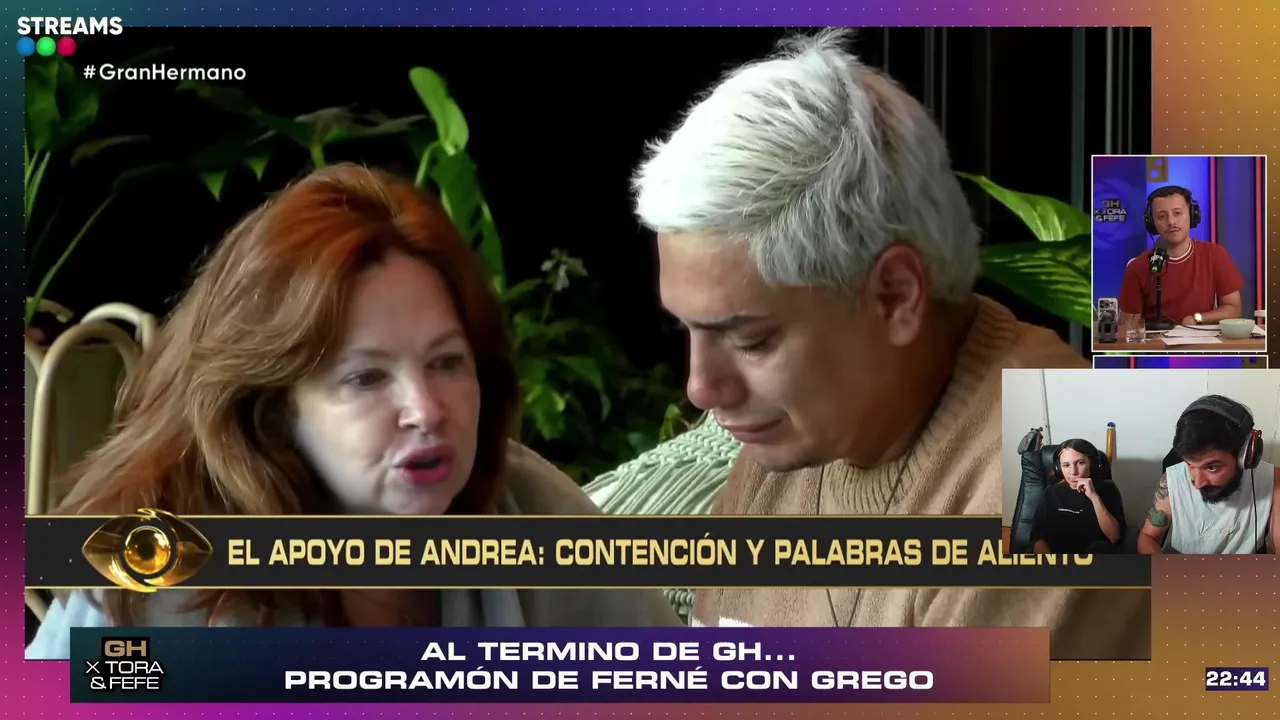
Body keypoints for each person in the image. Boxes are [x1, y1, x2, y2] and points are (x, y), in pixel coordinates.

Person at [630, 29, 1151, 659]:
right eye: (686, 329)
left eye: (751, 339)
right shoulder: (802, 435)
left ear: (896, 296)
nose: (700, 388)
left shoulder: (1062, 466)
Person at [26, 164, 681, 660]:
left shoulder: (530, 510)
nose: (425, 410)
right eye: (366, 377)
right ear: (273, 412)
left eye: (447, 362)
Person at [1137, 395, 1278, 554]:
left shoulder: (1273, 482)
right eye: (1190, 464)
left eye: (1211, 467)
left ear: (1244, 456)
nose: (1197, 483)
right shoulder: (1171, 482)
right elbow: (1148, 537)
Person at [1118, 185, 1245, 327]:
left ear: (1192, 215)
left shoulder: (1215, 255)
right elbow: (1127, 326)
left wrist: (1197, 318)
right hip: (1154, 340)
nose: (1171, 222)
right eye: (1162, 216)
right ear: (1152, 223)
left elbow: (1233, 308)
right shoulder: (1138, 267)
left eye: (1177, 213)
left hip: (1200, 338)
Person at [1031, 439, 1126, 554]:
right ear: (1058, 468)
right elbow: (1038, 536)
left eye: (1080, 463)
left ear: (1092, 464)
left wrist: (1094, 497)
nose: (1073, 472)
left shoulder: (1107, 489)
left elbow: (1114, 537)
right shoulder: (1050, 493)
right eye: (1066, 465)